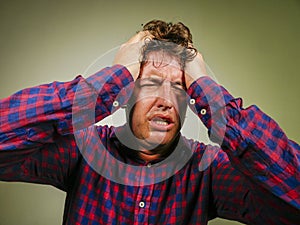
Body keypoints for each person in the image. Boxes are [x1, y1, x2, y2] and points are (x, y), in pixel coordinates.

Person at [0, 19, 299, 225]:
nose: (166, 100)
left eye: (181, 87)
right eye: (152, 83)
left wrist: (209, 90)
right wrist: (107, 83)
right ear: (126, 92)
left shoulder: (206, 168)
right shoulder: (86, 151)